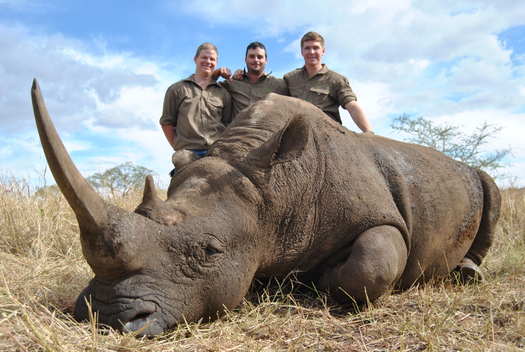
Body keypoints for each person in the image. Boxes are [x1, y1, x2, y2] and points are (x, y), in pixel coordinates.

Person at [160, 43, 232, 174]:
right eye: (204, 58)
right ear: (195, 59)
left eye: (212, 59)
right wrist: (178, 146)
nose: (208, 62)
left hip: (215, 152)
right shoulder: (176, 89)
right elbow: (166, 122)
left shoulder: (224, 93)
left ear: (216, 63)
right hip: (187, 153)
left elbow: (226, 123)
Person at [284, 31, 372, 132]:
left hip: (328, 133)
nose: (311, 52)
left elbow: (351, 105)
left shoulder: (336, 79)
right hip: (296, 132)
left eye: (316, 48)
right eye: (307, 48)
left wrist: (369, 133)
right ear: (302, 52)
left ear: (323, 51)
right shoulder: (289, 78)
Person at [214, 41, 288, 118]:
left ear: (266, 60)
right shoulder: (233, 83)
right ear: (245, 59)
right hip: (238, 129)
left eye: (260, 57)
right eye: (252, 56)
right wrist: (218, 72)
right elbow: (209, 86)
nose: (256, 60)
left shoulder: (279, 84)